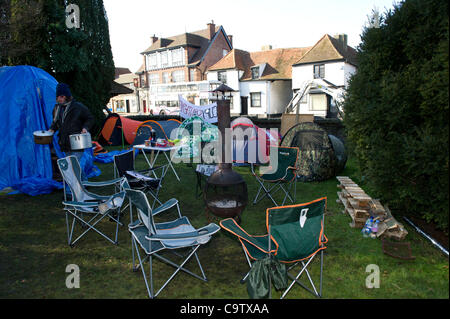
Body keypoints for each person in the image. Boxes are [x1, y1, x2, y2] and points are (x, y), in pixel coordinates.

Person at [49, 83, 94, 181]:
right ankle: (84, 182)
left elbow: (89, 118)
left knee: (73, 166)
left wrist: (85, 127)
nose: (58, 99)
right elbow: (56, 122)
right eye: (58, 97)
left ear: (65, 96)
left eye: (60, 97)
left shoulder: (78, 107)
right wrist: (52, 129)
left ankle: (72, 191)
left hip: (77, 141)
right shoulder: (57, 108)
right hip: (65, 142)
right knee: (73, 165)